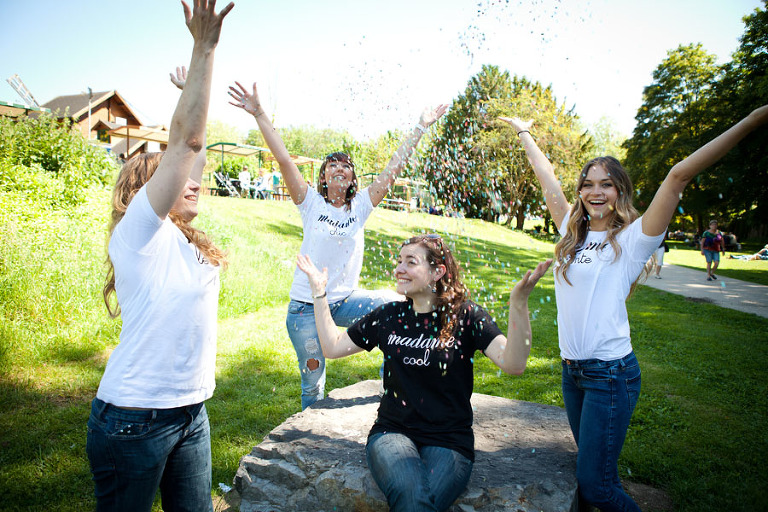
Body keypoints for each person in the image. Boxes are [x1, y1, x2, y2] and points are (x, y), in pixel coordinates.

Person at [499, 104, 768, 512]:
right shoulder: (571, 231)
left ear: (620, 191)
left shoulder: (635, 239)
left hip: (610, 375)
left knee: (596, 488)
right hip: (573, 373)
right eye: (588, 184)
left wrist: (751, 120)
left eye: (606, 185)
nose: (595, 192)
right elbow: (546, 176)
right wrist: (524, 133)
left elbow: (678, 175)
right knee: (598, 475)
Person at [86, 2, 233, 511]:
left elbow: (195, 150)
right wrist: (204, 49)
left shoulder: (185, 240)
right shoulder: (140, 233)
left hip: (191, 413)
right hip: (135, 419)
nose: (195, 181)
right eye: (179, 176)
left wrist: (188, 92)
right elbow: (187, 143)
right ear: (149, 190)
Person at [228, 80, 448, 409]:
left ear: (352, 178)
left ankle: (394, 388)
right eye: (333, 164)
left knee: (398, 309)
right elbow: (284, 160)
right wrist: (259, 113)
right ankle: (308, 433)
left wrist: (420, 126)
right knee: (313, 380)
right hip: (305, 308)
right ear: (323, 176)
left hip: (344, 301)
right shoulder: (310, 203)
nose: (340, 168)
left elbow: (392, 170)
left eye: (346, 165)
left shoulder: (360, 206)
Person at [296, 234, 552, 512]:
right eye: (399, 261)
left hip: (450, 440)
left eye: (411, 262)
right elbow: (333, 347)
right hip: (392, 433)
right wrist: (319, 293)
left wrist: (519, 303)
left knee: (416, 502)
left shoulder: (466, 317)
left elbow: (514, 363)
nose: (399, 269)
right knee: (412, 494)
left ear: (437, 271)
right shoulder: (388, 316)